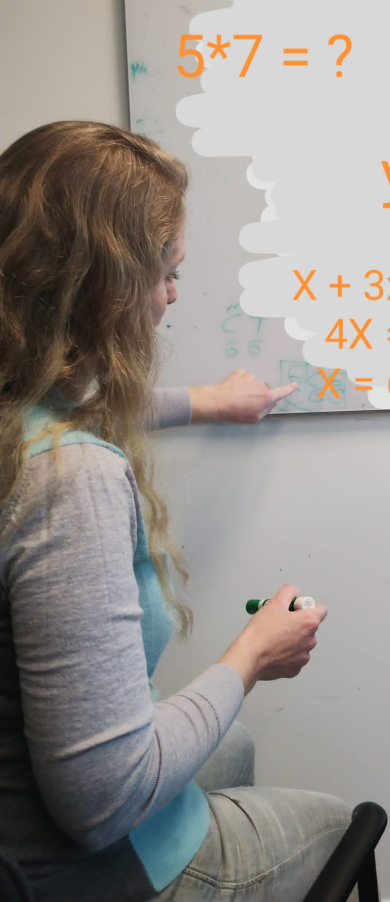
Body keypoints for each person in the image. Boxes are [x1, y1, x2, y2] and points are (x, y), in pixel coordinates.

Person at [0, 121, 351, 902]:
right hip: (78, 869)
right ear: (106, 291)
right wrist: (252, 655)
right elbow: (103, 801)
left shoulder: (15, 422)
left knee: (236, 744)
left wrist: (205, 402)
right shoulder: (70, 482)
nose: (172, 296)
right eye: (166, 274)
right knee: (340, 822)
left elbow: (74, 411)